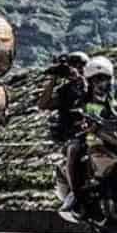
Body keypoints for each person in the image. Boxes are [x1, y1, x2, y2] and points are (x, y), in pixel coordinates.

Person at [37, 50, 90, 218]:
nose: (78, 70)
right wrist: (53, 78)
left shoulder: (95, 86)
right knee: (74, 150)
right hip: (74, 135)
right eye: (75, 67)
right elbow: (43, 104)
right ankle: (76, 195)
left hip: (99, 130)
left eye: (82, 67)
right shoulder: (65, 91)